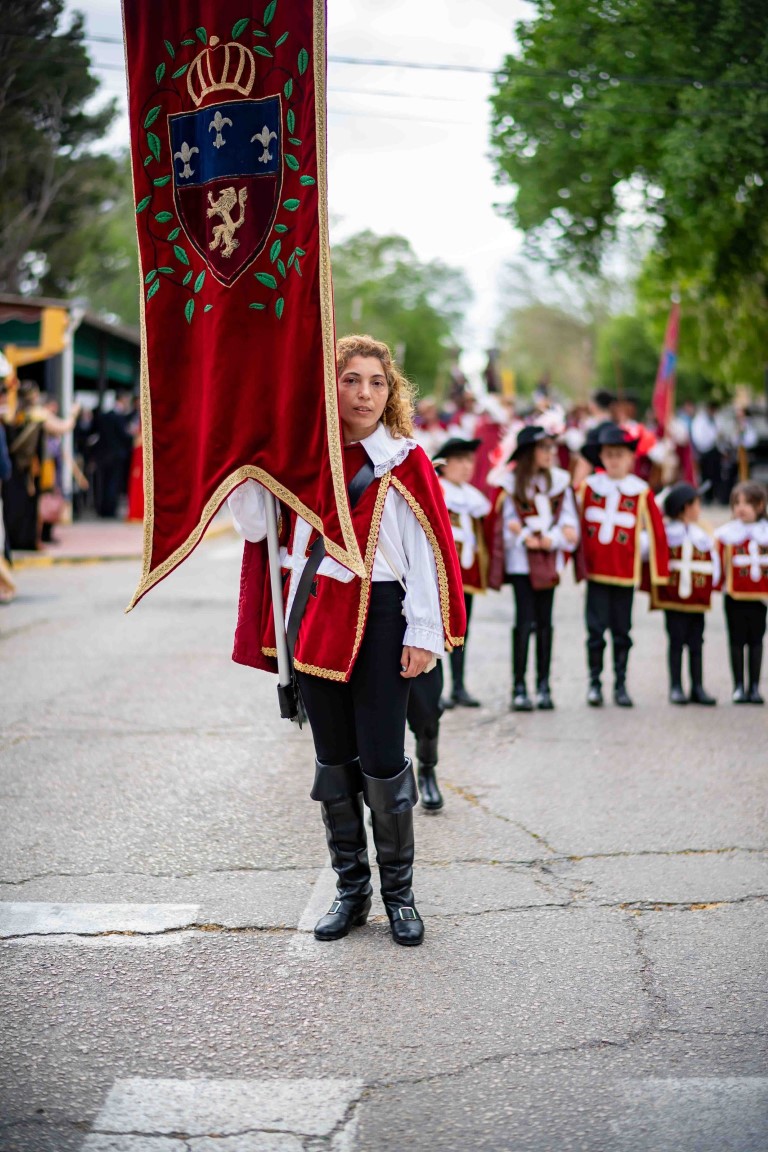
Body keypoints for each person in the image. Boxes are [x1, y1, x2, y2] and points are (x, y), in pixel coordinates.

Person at [229, 335, 466, 946]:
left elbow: (426, 553)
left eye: (377, 382)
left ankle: (400, 898)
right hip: (314, 617)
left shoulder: (404, 459)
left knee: (384, 761)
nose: (364, 393)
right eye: (351, 380)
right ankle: (352, 892)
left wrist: (423, 631)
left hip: (384, 617)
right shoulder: (299, 458)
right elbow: (256, 529)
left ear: (391, 393)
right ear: (329, 387)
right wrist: (248, 463)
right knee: (334, 763)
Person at [578, 423, 669, 708]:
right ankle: (595, 683)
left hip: (625, 573)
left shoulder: (640, 491)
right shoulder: (589, 488)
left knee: (622, 632)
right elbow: (574, 523)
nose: (615, 460)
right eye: (609, 454)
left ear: (631, 458)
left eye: (620, 454)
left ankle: (620, 684)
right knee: (595, 632)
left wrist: (652, 561)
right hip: (596, 573)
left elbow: (656, 531)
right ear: (601, 457)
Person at [489, 426, 579, 711]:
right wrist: (525, 537)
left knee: (545, 623)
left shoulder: (560, 483)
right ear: (529, 452)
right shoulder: (511, 485)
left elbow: (570, 524)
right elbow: (506, 526)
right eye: (544, 448)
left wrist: (551, 539)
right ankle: (519, 687)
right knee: (524, 622)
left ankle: (543, 686)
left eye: (551, 447)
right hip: (521, 564)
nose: (550, 453)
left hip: (548, 562)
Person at [433, 436, 491, 708]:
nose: (467, 466)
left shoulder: (472, 498)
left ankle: (459, 685)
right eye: (460, 460)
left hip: (466, 576)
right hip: (440, 577)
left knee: (462, 630)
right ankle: (437, 689)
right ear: (445, 464)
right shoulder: (437, 491)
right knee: (437, 630)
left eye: (470, 460)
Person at [651, 484, 719, 706]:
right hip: (674, 598)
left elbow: (712, 562)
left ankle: (697, 686)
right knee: (676, 642)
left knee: (697, 642)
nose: (699, 509)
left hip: (697, 599)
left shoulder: (702, 535)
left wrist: (712, 584)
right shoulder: (667, 534)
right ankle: (676, 686)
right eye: (696, 504)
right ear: (685, 508)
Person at [714, 481, 768, 704]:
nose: (741, 508)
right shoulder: (726, 534)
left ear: (760, 505)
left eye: (747, 503)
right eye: (737, 503)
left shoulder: (765, 534)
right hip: (734, 596)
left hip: (759, 598)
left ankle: (754, 687)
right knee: (736, 640)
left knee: (756, 641)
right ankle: (738, 686)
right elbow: (716, 562)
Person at [2, 380, 47, 551]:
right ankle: (25, 541)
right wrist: (73, 415)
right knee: (27, 507)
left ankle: (14, 541)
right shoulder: (37, 417)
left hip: (16, 471)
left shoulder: (12, 417)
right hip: (27, 470)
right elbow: (62, 427)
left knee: (13, 506)